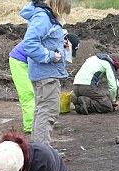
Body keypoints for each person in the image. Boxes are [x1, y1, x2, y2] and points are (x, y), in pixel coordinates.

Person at [20, 0, 71, 146]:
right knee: (47, 112)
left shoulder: (43, 16)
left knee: (42, 111)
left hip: (44, 73)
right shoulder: (43, 17)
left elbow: (43, 40)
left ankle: (37, 150)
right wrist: (50, 56)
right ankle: (42, 152)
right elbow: (29, 44)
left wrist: (59, 44)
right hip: (46, 74)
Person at [8, 32, 80, 134]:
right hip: (20, 61)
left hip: (30, 61)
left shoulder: (54, 39)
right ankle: (30, 126)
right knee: (28, 93)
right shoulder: (49, 39)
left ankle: (38, 123)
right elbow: (33, 55)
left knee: (39, 93)